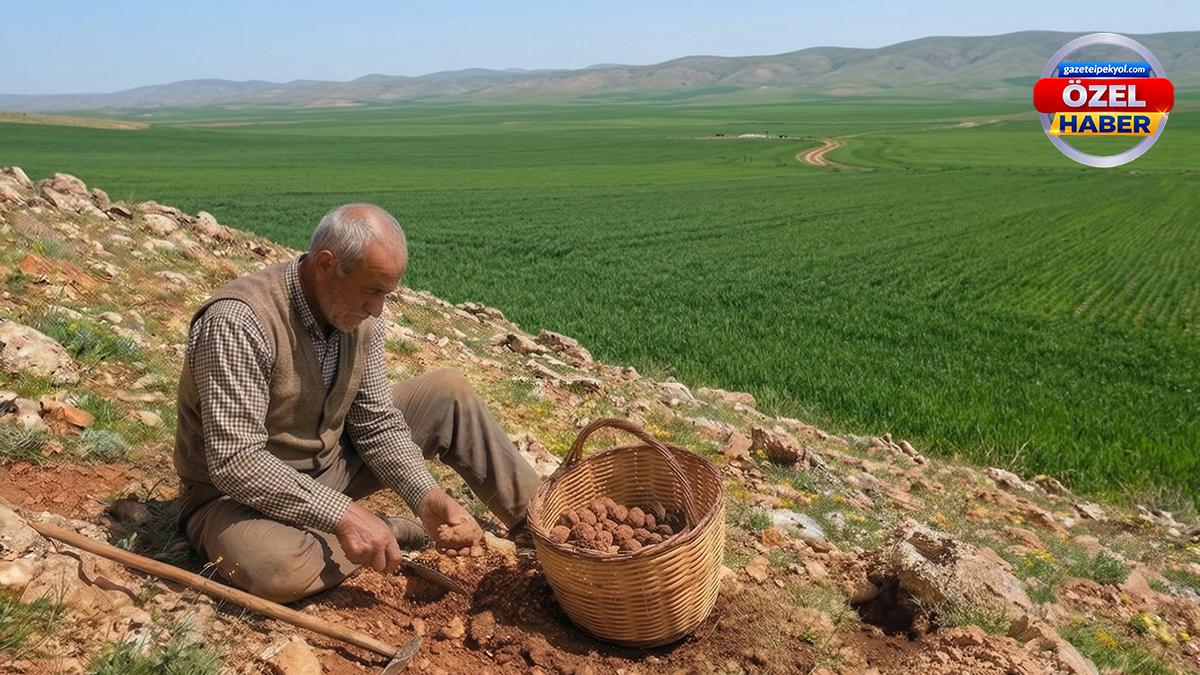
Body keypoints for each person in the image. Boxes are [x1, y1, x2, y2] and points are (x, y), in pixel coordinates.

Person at [173, 203, 542, 603]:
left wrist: (424, 495)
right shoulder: (238, 323)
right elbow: (236, 462)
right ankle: (387, 530)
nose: (378, 309)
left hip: (328, 465)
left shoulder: (359, 315)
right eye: (372, 290)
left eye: (386, 293)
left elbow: (376, 423)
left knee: (447, 392)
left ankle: (544, 526)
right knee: (279, 570)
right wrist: (343, 515)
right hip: (236, 499)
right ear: (326, 265)